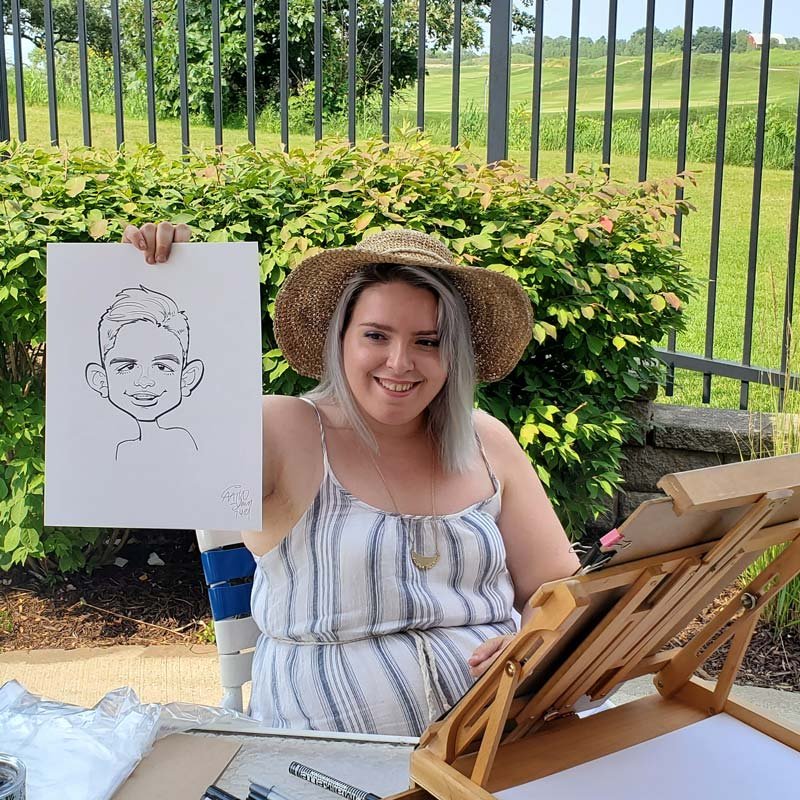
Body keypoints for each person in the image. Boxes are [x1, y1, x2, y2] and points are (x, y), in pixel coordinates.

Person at [123, 221, 580, 736]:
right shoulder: (281, 431)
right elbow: (162, 449)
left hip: (499, 740)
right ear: (339, 338)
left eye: (428, 341)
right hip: (327, 765)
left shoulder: (486, 440)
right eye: (376, 336)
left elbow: (558, 587)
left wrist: (535, 638)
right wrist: (170, 285)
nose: (400, 362)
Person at [85, 284, 204, 462]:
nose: (145, 381)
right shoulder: (119, 449)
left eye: (162, 367)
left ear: (187, 379)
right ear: (101, 380)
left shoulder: (181, 441)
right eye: (128, 367)